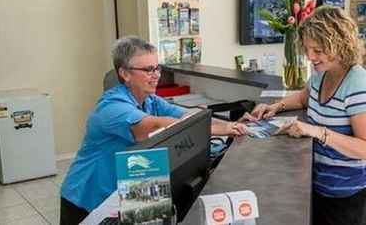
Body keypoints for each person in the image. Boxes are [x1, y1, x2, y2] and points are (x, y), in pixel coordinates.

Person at [59, 36, 247, 225]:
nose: (156, 74)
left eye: (157, 68)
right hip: (88, 200)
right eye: (148, 69)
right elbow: (152, 127)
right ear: (124, 73)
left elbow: (188, 118)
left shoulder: (149, 100)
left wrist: (229, 126)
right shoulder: (111, 107)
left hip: (128, 190)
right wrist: (214, 128)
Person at [248, 6, 366, 225]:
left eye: (318, 50)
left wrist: (317, 132)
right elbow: (303, 98)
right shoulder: (322, 74)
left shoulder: (358, 84)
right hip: (323, 185)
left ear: (340, 45)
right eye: (308, 49)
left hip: (351, 192)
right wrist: (276, 106)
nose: (310, 57)